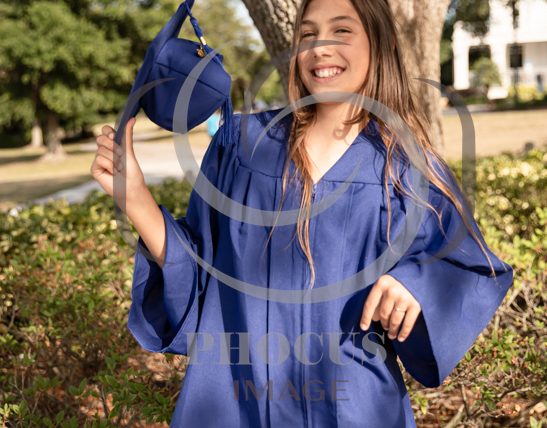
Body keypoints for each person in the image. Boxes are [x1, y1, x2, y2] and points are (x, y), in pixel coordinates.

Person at [91, 0, 514, 426]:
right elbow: (198, 276)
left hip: (354, 409)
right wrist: (136, 198)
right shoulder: (242, 147)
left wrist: (416, 285)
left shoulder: (407, 170)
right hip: (237, 403)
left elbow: (470, 266)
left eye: (341, 31)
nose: (320, 47)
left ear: (379, 43)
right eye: (308, 34)